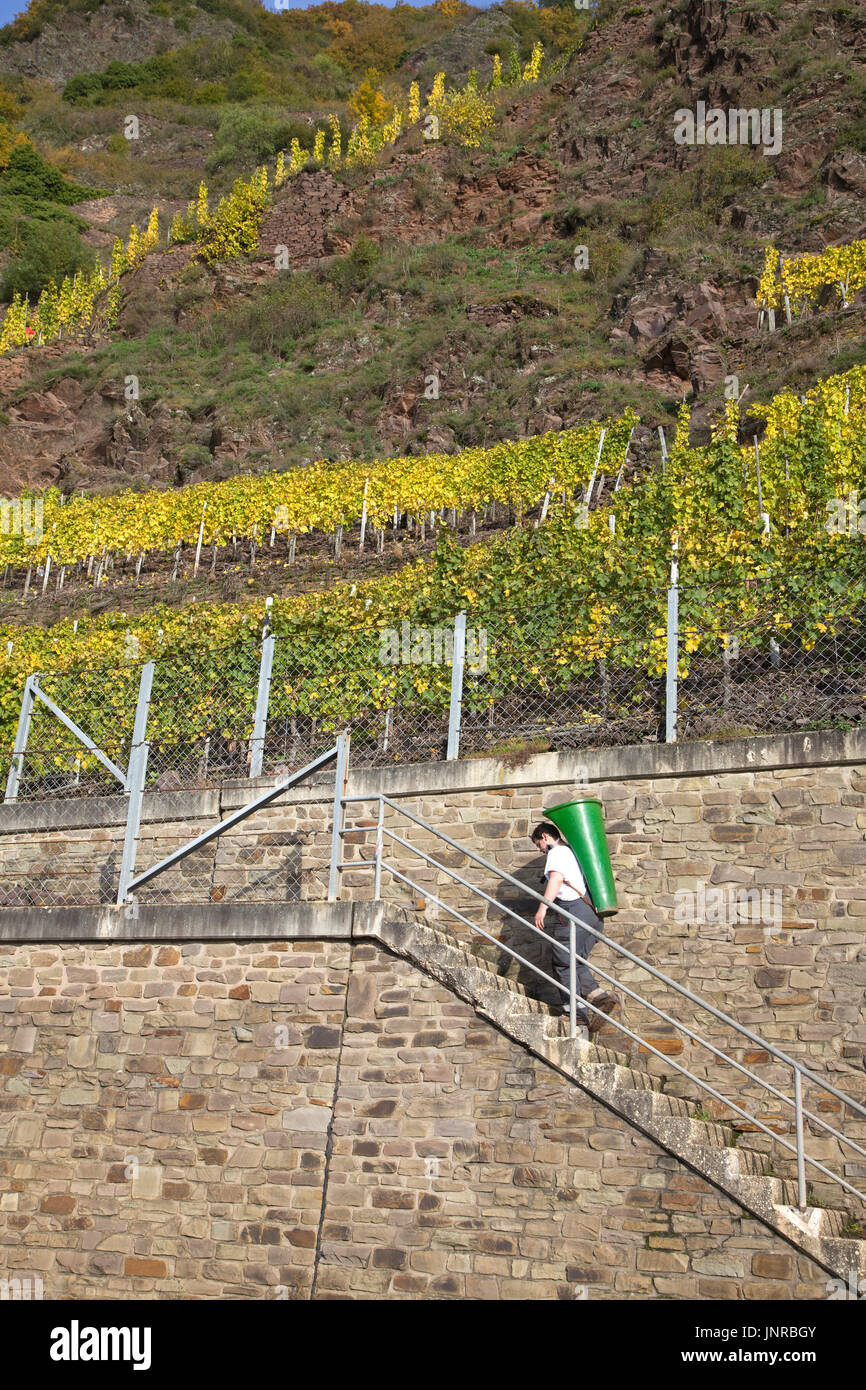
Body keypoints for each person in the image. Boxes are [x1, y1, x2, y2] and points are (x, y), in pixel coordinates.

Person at [530, 821, 617, 1032]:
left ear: (545, 837)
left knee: (563, 962)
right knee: (574, 961)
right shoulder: (571, 851)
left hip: (573, 912)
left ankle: (575, 1014)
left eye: (538, 844)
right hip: (591, 913)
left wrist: (543, 908)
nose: (540, 849)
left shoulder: (556, 853)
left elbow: (556, 880)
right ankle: (598, 997)